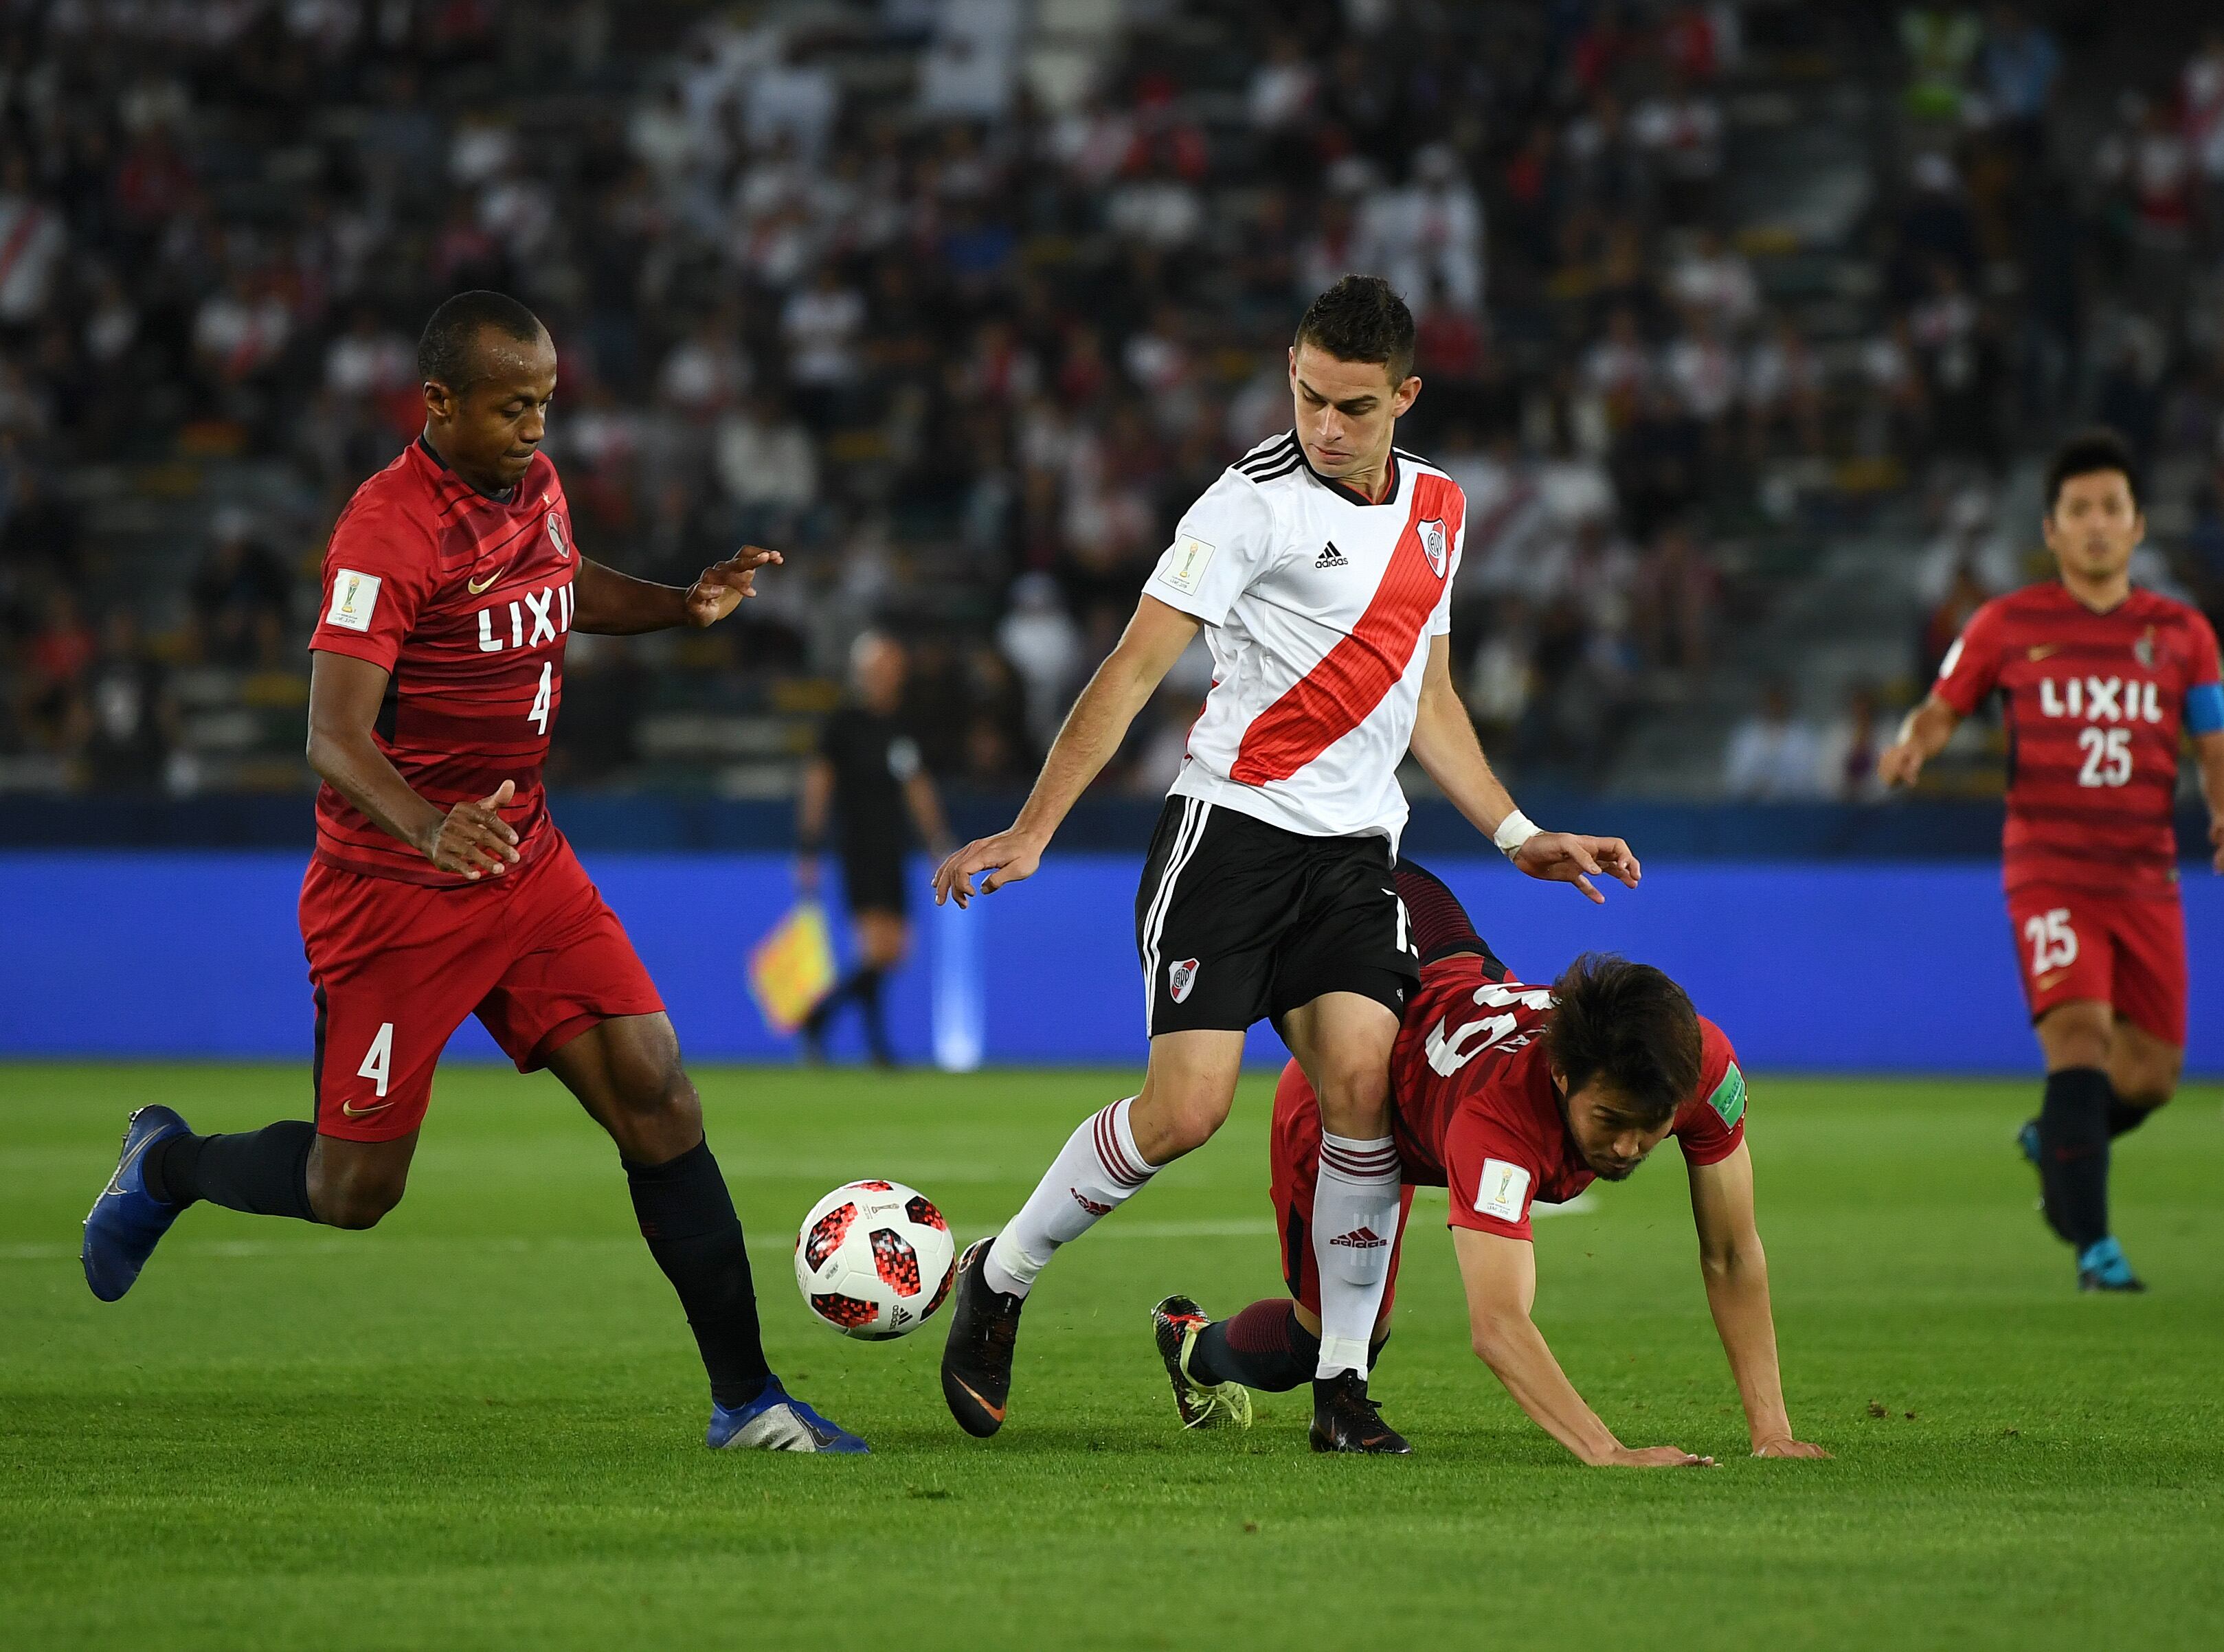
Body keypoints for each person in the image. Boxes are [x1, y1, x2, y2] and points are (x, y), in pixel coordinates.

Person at [78, 292, 865, 1456]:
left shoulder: (532, 489)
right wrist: (426, 827)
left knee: (654, 1088)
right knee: (357, 1193)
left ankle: (747, 1400)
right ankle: (170, 1164)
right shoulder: (385, 529)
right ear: (438, 403)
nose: (536, 429)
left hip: (525, 860)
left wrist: (678, 604)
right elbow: (333, 736)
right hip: (395, 893)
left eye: (545, 403)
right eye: (512, 407)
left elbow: (562, 584)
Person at [929, 274, 1637, 1453]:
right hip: (1230, 837)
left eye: (1352, 406)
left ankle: (1342, 1390)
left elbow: (1428, 696)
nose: (1322, 425)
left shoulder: (1441, 512)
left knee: (1360, 1086)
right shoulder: (1240, 508)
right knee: (1187, 1111)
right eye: (1306, 395)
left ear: (1404, 396)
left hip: (1355, 855)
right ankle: (999, 1276)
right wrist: (1036, 826)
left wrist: (1518, 834)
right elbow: (1129, 668)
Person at [1149, 861, 1829, 1466]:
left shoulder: (1701, 1066)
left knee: (1352, 1336)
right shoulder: (1498, 1122)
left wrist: (1770, 1428)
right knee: (1322, 1339)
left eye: (1651, 1125)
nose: (1627, 1147)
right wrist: (1606, 1449)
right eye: (1611, 1121)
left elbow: (1733, 1253)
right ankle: (1192, 1346)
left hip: (1443, 1033)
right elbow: (1499, 1322)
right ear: (1562, 1075)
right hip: (1347, 1101)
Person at [1879, 429, 2224, 1293]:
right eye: (2077, 510)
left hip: (2145, 877)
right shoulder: (2005, 624)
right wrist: (1911, 747)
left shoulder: (2183, 632)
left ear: (2137, 524)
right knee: (2078, 1041)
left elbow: (2216, 745)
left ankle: (2058, 1139)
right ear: (2050, 528)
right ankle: (2095, 1248)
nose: (2094, 524)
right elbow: (1940, 707)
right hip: (2049, 871)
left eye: (2109, 509)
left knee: (2151, 1077)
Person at [795, 630, 955, 1066]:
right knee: (879, 949)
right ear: (862, 673)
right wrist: (808, 847)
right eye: (877, 668)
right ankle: (876, 1045)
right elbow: (819, 785)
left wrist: (936, 841)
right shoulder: (844, 726)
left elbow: (917, 788)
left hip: (892, 848)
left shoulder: (902, 728)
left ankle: (821, 1018)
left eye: (891, 668)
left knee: (895, 950)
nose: (885, 676)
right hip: (858, 848)